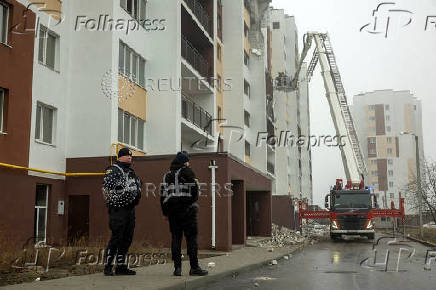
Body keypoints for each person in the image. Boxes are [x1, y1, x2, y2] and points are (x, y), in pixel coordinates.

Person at [160, 152, 208, 276]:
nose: (189, 163)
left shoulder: (166, 176)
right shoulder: (188, 172)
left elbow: (162, 196)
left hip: (172, 213)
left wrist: (165, 212)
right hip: (187, 211)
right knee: (191, 239)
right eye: (187, 161)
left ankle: (177, 269)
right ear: (184, 162)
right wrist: (189, 203)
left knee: (176, 239)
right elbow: (196, 191)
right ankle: (194, 268)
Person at [102, 148, 142, 276]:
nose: (130, 158)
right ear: (120, 157)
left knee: (127, 238)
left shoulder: (130, 171)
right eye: (127, 156)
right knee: (116, 238)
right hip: (118, 210)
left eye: (131, 156)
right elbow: (108, 188)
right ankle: (108, 267)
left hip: (130, 210)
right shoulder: (113, 170)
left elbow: (135, 185)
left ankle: (121, 267)